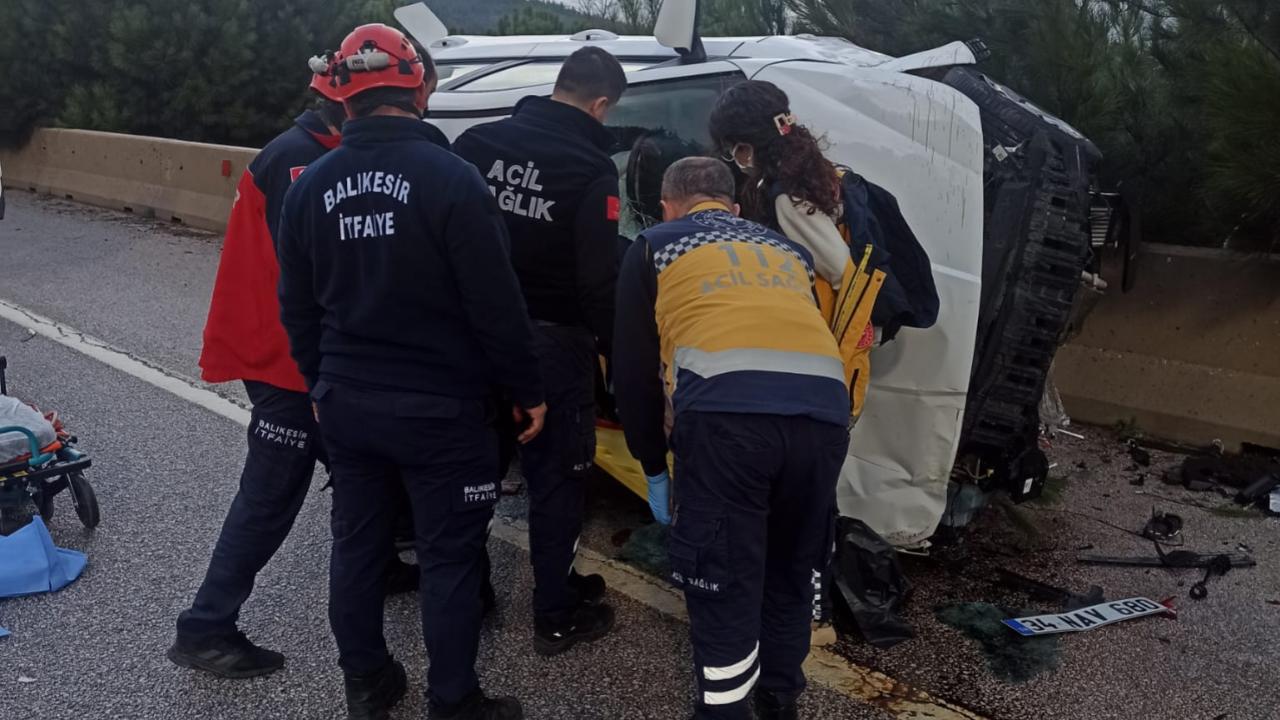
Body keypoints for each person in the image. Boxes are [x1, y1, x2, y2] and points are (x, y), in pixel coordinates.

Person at [276, 24, 544, 720]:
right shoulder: (452, 180)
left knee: (356, 546)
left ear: (342, 99)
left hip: (347, 403)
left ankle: (366, 682)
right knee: (449, 555)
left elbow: (297, 308)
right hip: (441, 409)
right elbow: (496, 305)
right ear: (419, 90)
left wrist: (319, 382)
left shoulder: (310, 187)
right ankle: (453, 701)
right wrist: (525, 390)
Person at [169, 56, 420, 680]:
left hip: (290, 349)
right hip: (284, 359)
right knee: (271, 494)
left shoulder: (309, 149)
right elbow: (316, 276)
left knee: (368, 466)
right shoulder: (300, 163)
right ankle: (205, 627)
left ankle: (381, 563)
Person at [612, 157, 851, 720]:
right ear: (736, 207)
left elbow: (634, 371)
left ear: (668, 206)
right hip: (823, 414)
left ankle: (723, 711)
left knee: (722, 579)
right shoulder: (789, 251)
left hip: (728, 419)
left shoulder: (654, 245)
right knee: (791, 569)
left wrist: (652, 465)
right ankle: (779, 701)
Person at [451, 46, 625, 656]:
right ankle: (555, 612)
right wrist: (619, 356)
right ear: (599, 105)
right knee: (557, 480)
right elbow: (597, 282)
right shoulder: (592, 168)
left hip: (472, 337)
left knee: (476, 473)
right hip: (553, 345)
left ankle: (467, 595)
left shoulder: (476, 144)